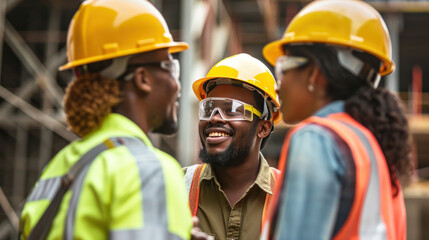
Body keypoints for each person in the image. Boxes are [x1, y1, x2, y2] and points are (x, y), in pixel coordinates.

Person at [19, 0, 202, 239]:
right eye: (170, 67)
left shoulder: (55, 170)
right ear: (143, 78)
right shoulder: (148, 170)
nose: (177, 85)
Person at [260, 0, 413, 239]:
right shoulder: (377, 152)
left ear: (316, 74)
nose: (278, 85)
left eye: (283, 67)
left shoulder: (317, 138)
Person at [184, 53, 282, 240]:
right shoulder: (176, 186)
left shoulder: (287, 195)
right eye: (209, 107)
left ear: (262, 128)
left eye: (232, 110)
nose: (214, 117)